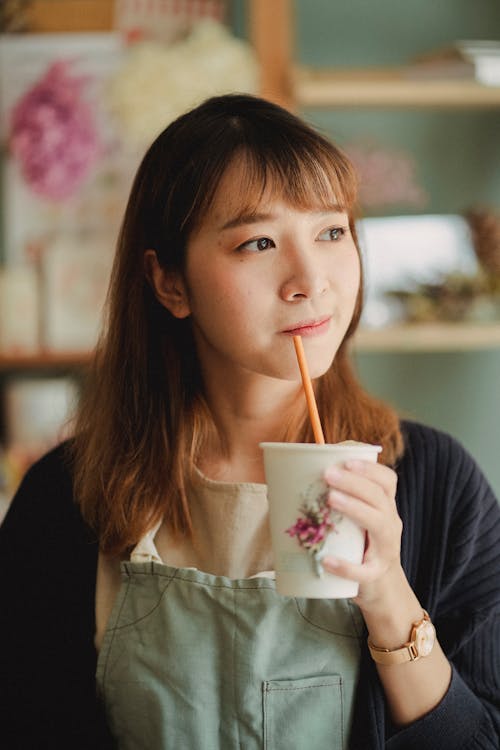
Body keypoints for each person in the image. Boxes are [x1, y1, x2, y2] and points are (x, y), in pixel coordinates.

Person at [0, 94, 499, 750]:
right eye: (258, 242)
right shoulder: (63, 500)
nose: (309, 280)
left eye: (331, 231)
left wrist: (387, 599)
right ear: (170, 282)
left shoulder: (438, 483)